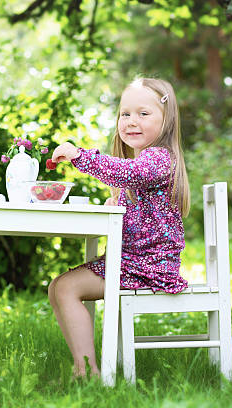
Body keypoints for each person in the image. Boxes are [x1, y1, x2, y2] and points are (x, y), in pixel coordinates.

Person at [48, 77, 191, 379]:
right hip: (135, 262)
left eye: (143, 114)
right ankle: (83, 367)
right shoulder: (144, 162)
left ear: (167, 120)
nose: (131, 122)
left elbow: (126, 171)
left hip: (149, 266)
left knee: (65, 287)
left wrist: (79, 156)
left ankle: (86, 371)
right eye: (125, 114)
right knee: (58, 287)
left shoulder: (159, 159)